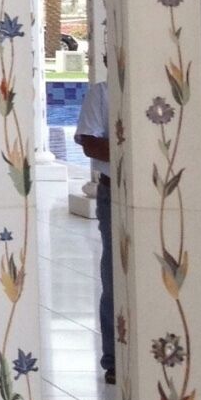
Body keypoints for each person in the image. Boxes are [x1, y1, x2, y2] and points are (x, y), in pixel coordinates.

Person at [74, 80, 115, 384]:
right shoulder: (102, 93)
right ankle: (114, 359)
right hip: (114, 193)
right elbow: (89, 141)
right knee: (114, 276)